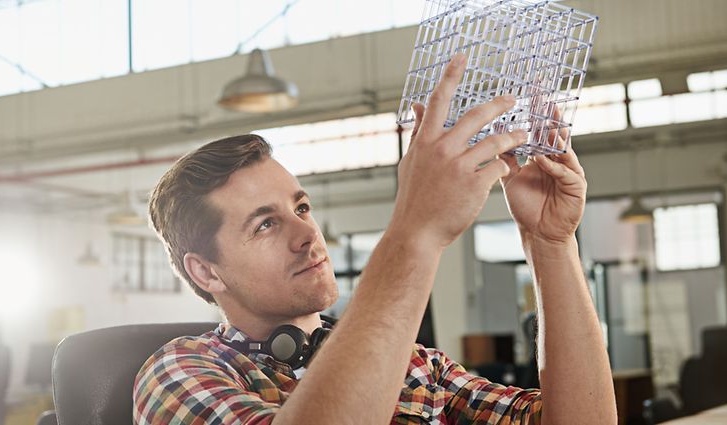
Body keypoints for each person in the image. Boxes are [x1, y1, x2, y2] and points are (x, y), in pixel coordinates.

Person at [134, 54, 617, 424]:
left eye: (301, 208)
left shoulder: (412, 363)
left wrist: (549, 243)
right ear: (205, 270)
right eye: (265, 224)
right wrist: (415, 231)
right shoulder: (179, 372)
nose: (307, 235)